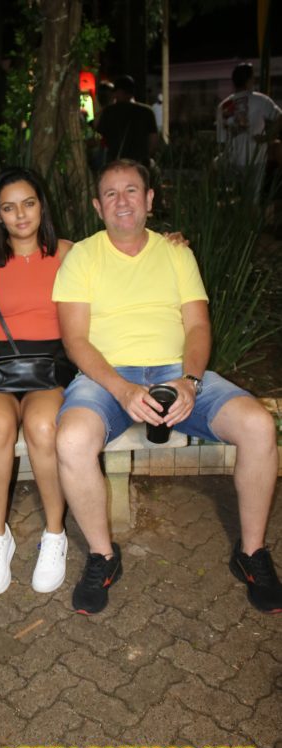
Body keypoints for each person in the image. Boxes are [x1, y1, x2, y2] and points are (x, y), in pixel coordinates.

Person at [53, 159, 281, 616]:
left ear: (150, 199)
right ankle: (102, 556)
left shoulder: (177, 253)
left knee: (258, 425)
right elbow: (75, 340)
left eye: (131, 190)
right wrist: (121, 389)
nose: (122, 201)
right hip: (107, 376)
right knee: (72, 439)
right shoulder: (82, 257)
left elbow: (197, 326)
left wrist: (190, 381)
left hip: (177, 371)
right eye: (111, 193)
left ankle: (251, 552)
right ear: (97, 206)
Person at [0, 167, 75, 596]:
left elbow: (123, 264)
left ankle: (55, 533)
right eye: (9, 208)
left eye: (28, 203)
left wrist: (168, 242)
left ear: (41, 205)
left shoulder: (69, 253)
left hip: (51, 366)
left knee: (44, 426)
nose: (21, 215)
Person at [216, 62, 282, 198]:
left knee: (235, 198)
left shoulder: (223, 106)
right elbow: (280, 117)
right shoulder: (261, 100)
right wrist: (268, 137)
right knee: (252, 199)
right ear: (250, 80)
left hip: (232, 161)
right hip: (255, 160)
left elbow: (221, 141)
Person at [96, 75, 158, 168]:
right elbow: (153, 139)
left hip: (116, 162)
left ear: (118, 92)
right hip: (140, 163)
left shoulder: (109, 111)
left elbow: (98, 132)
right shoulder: (147, 111)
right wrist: (147, 157)